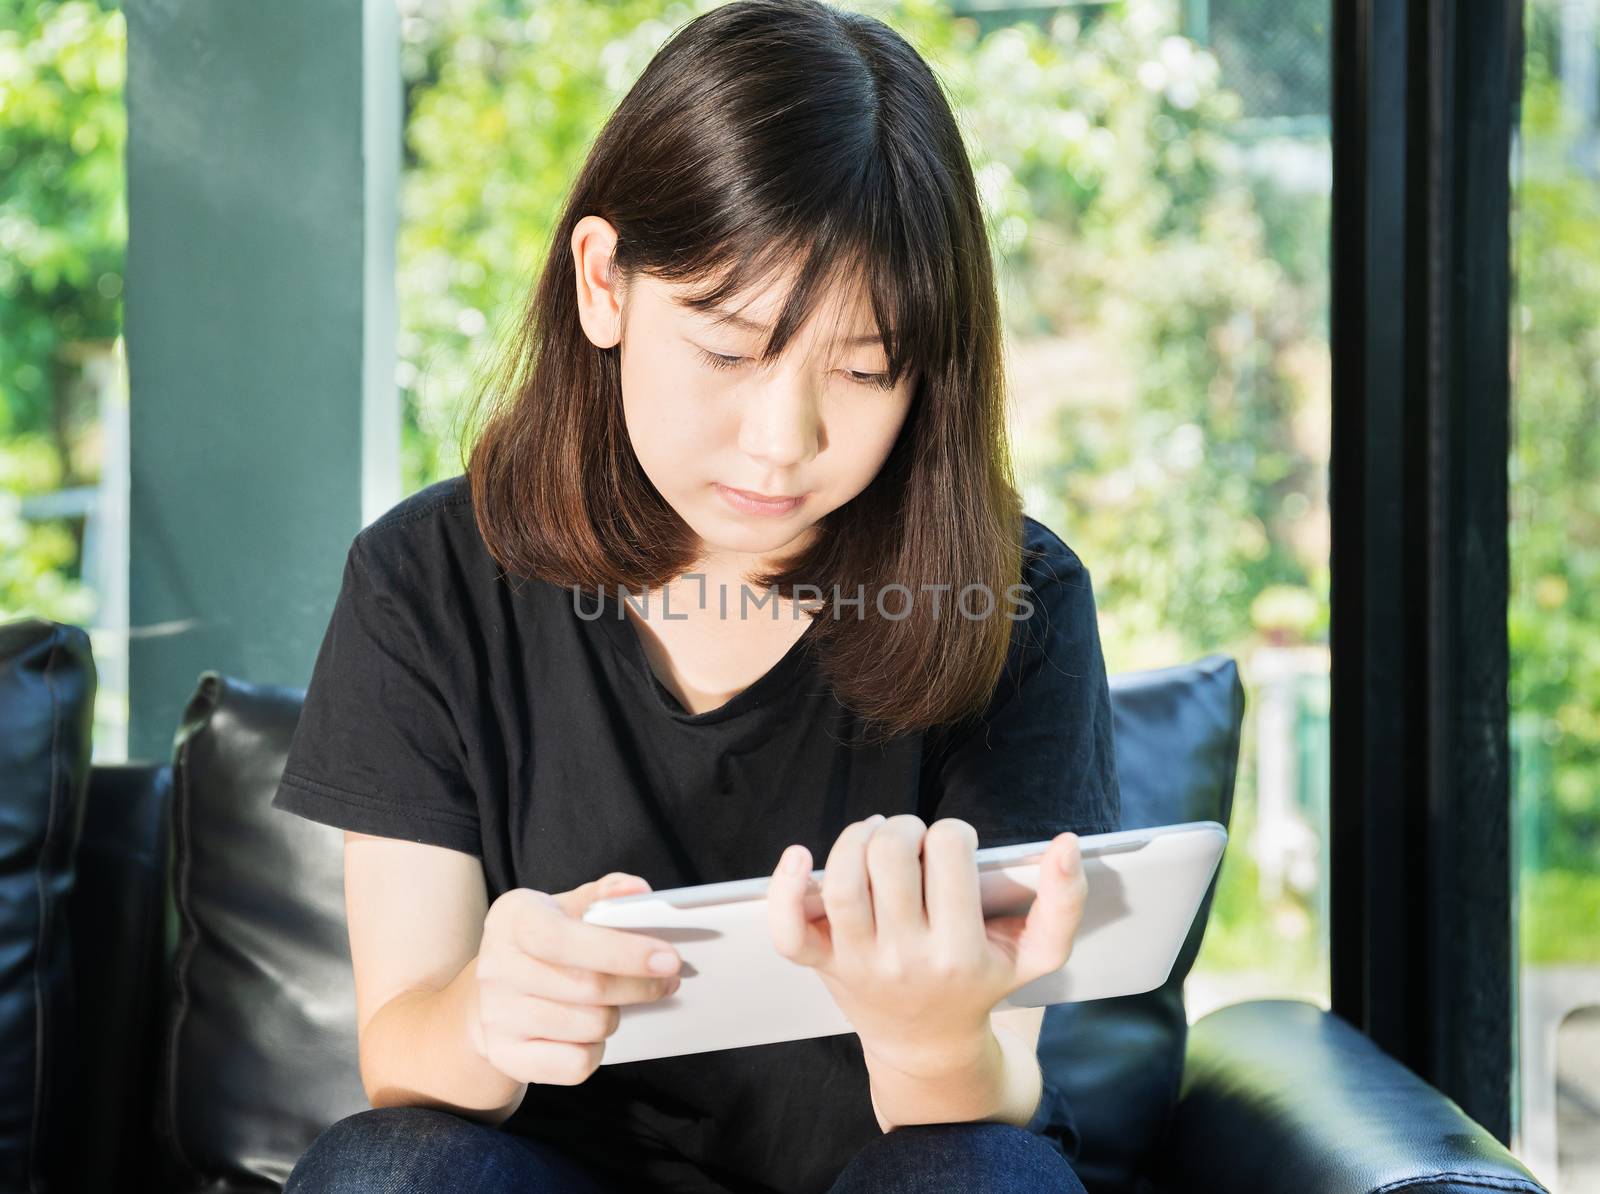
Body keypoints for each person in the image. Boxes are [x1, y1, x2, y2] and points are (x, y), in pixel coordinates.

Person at [271, 0, 1121, 1190]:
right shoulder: (426, 580)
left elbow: (993, 1097)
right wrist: (483, 1011)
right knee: (386, 1170)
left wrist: (931, 1034)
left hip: (883, 1170)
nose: (783, 444)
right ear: (603, 283)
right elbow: (401, 1063)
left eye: (865, 371)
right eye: (728, 350)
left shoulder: (1012, 600)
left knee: (982, 1175)